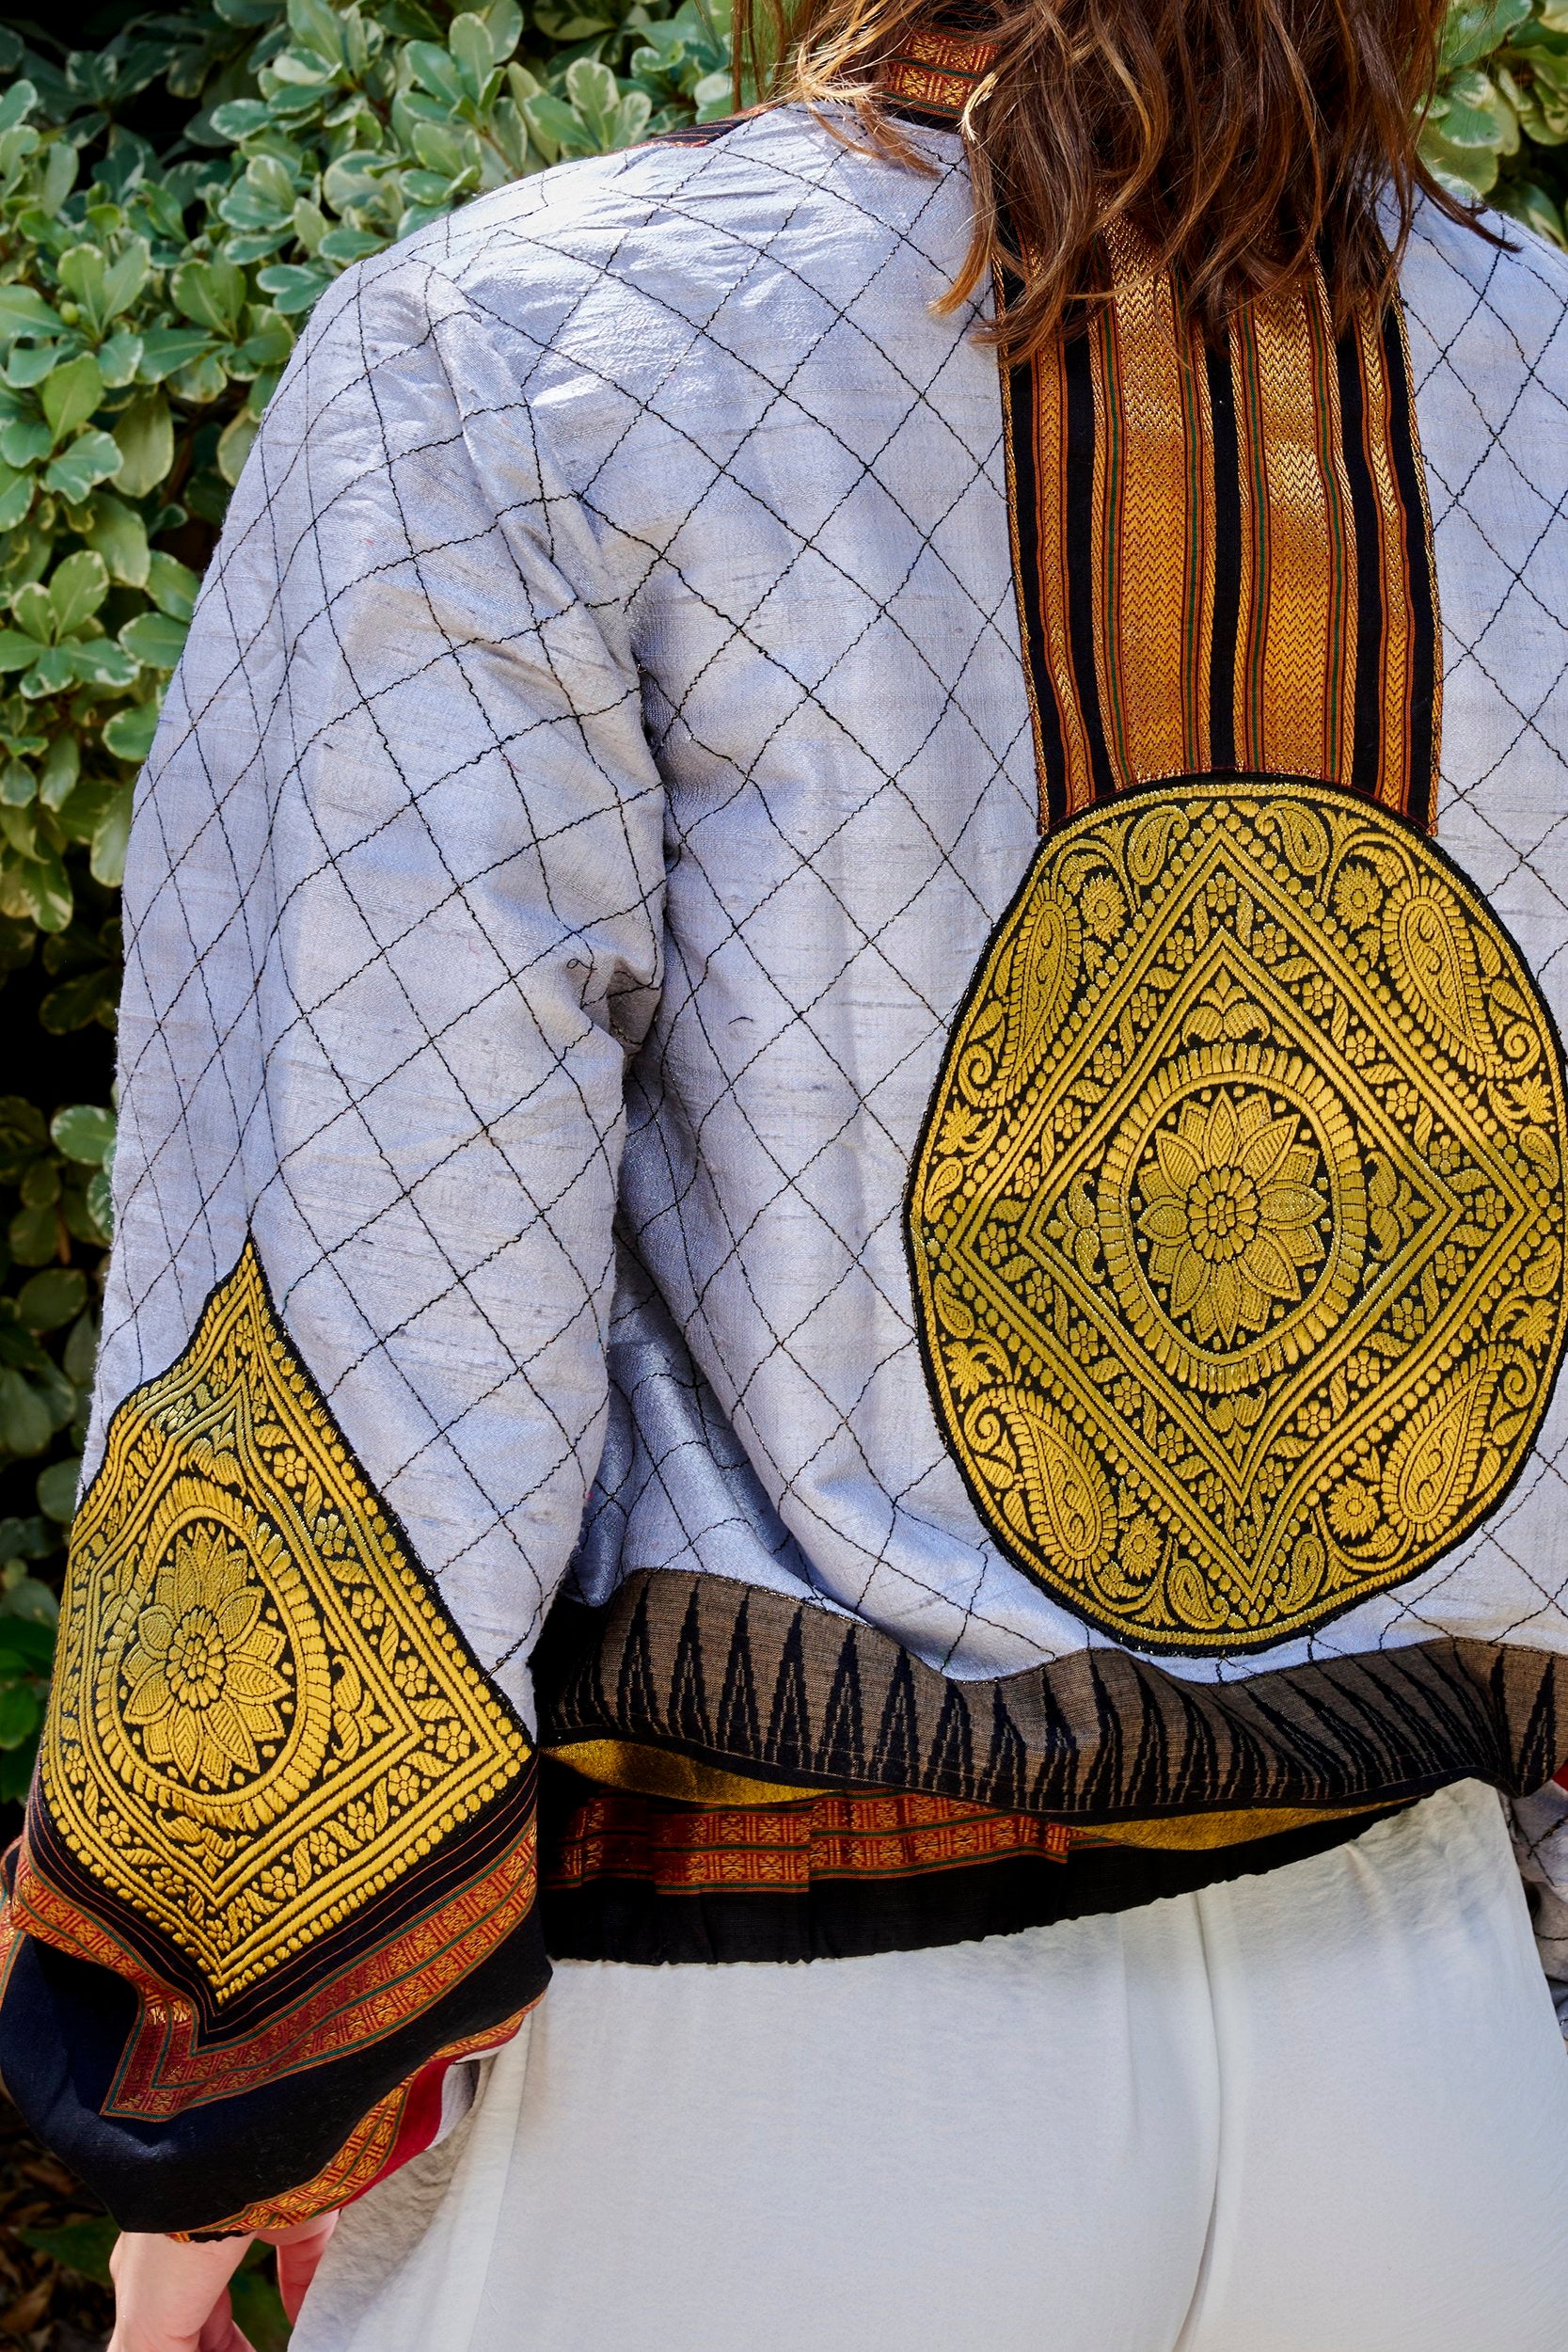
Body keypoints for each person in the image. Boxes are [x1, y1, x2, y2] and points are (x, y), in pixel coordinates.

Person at [8, 0, 1568, 2340]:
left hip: (749, 2079)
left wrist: (246, 2068)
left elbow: (374, 1243)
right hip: (1426, 2046)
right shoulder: (1540, 366)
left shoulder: (513, 357)